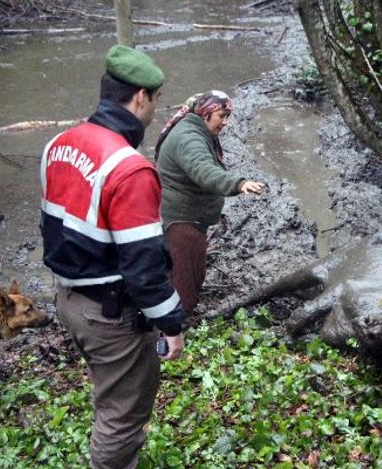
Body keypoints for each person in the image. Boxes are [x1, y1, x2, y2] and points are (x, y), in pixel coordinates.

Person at [40, 45, 185, 469]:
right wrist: (170, 323)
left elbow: (52, 226)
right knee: (122, 417)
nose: (156, 109)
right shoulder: (131, 168)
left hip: (69, 299)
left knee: (109, 395)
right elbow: (144, 267)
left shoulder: (57, 145)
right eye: (156, 99)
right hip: (110, 314)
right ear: (140, 97)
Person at [154, 90, 265, 314]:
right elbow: (204, 170)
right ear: (205, 114)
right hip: (182, 219)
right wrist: (237, 184)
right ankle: (177, 327)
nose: (225, 123)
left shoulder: (194, 128)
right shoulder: (190, 139)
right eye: (221, 116)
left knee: (183, 271)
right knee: (186, 280)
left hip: (184, 217)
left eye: (227, 116)